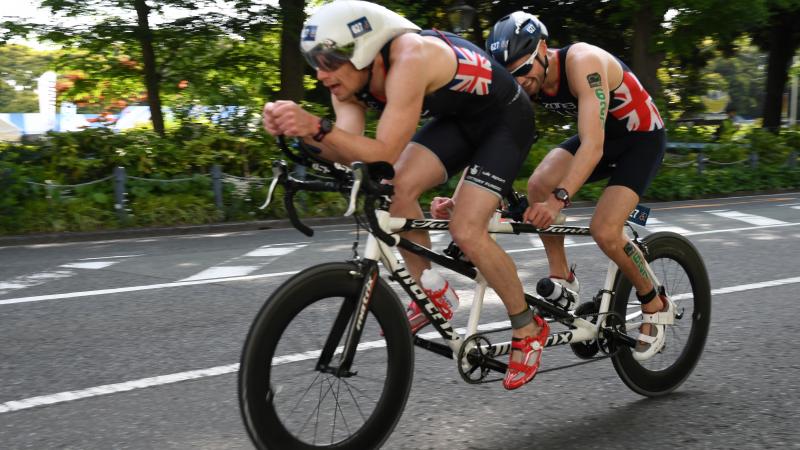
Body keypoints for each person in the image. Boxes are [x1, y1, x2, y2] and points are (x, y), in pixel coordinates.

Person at [262, 1, 546, 389]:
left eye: (330, 62)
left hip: (505, 119)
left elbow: (384, 151)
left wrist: (316, 126)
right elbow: (348, 148)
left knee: (466, 228)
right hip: (459, 120)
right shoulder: (346, 81)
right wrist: (303, 132)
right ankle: (435, 291)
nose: (322, 75)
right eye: (316, 64)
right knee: (394, 187)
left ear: (364, 49)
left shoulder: (411, 56)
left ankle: (528, 326)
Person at [435, 11, 674, 360]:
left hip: (640, 140)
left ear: (544, 48)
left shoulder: (584, 62)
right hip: (604, 137)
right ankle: (562, 277)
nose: (518, 81)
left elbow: (592, 146)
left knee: (605, 231)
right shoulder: (527, 79)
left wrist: (558, 201)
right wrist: (460, 198)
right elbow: (492, 139)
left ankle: (655, 302)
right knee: (537, 184)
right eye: (509, 75)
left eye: (523, 70)